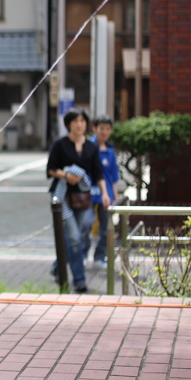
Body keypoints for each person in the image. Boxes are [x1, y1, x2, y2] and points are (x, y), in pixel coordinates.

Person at [46, 108, 110, 293]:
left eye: (82, 121)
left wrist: (105, 193)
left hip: (83, 198)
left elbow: (98, 173)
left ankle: (58, 267)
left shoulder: (92, 147)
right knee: (74, 238)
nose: (79, 124)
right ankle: (79, 281)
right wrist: (66, 175)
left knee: (78, 236)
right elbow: (50, 169)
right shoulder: (60, 144)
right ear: (68, 124)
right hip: (62, 196)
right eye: (75, 121)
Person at [83, 115, 119, 268]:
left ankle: (99, 256)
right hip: (89, 191)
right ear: (94, 129)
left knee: (106, 227)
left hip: (107, 193)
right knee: (86, 224)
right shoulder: (88, 146)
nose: (104, 132)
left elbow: (113, 174)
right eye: (101, 128)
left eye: (108, 129)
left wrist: (115, 194)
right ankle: (83, 255)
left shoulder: (110, 150)